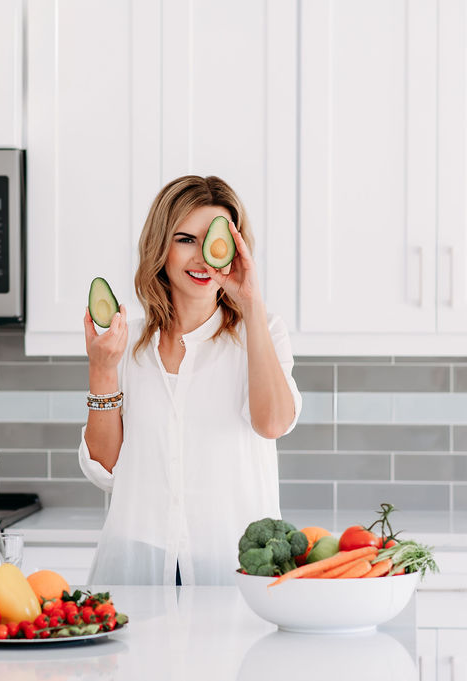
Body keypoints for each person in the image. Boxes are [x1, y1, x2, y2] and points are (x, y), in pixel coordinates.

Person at [78, 175, 303, 586]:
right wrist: (102, 369)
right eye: (185, 239)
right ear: (160, 246)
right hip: (136, 563)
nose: (202, 258)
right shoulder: (126, 344)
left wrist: (250, 302)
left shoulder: (261, 330)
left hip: (232, 566)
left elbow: (272, 423)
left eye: (214, 241)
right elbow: (106, 470)